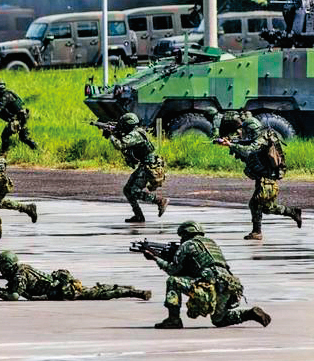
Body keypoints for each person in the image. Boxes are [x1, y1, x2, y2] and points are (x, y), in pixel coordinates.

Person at [142, 221, 271, 329]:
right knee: (219, 320)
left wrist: (155, 258)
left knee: (173, 281)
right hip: (228, 284)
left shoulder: (188, 245)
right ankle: (250, 314)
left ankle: (173, 319)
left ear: (187, 233)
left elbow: (173, 270)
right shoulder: (211, 244)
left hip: (209, 283)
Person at [216, 126, 302, 241]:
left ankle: (257, 232)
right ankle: (292, 212)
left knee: (255, 204)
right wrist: (229, 141)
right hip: (263, 178)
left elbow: (248, 150)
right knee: (267, 208)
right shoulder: (258, 139)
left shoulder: (262, 139)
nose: (242, 133)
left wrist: (231, 145)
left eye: (245, 130)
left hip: (267, 179)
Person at [0, 251, 150, 301]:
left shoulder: (20, 275)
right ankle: (126, 289)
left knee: (100, 294)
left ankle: (133, 293)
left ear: (8, 266)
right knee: (97, 290)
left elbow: (15, 296)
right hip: (60, 288)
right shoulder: (21, 270)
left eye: (2, 267)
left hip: (64, 291)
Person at [103, 112, 168, 223]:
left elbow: (120, 145)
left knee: (134, 191)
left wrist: (111, 136)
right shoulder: (135, 132)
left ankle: (159, 201)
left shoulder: (135, 134)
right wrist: (114, 132)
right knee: (127, 190)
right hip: (145, 165)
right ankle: (138, 216)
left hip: (149, 167)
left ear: (128, 125)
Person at [0, 80, 38, 153]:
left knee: (5, 136)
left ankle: (3, 153)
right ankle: (37, 150)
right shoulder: (8, 93)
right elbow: (4, 102)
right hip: (22, 117)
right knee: (24, 138)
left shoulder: (5, 96)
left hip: (18, 119)